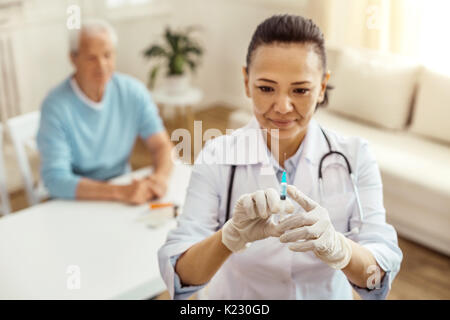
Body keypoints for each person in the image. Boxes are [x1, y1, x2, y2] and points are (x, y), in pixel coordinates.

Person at [158, 14, 402, 299]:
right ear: (246, 82)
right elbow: (180, 276)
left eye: (300, 90)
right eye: (266, 88)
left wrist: (341, 249)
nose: (284, 106)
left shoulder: (355, 156)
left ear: (322, 87)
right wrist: (229, 237)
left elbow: (377, 280)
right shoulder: (217, 156)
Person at [37, 19, 173, 205]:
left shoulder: (133, 92)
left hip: (121, 190)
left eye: (107, 55)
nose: (102, 66)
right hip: (76, 199)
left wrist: (159, 178)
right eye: (92, 58)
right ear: (73, 58)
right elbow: (55, 180)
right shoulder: (55, 105)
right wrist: (119, 192)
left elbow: (161, 145)